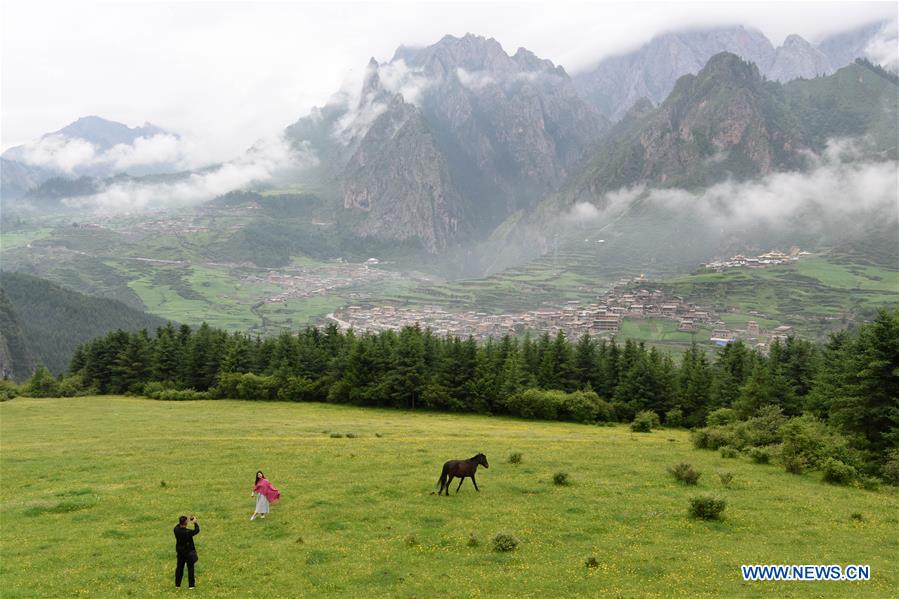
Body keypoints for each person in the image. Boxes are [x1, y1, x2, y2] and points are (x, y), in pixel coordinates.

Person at [173, 515, 200, 588]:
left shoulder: (176, 530)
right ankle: (191, 585)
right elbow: (196, 530)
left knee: (179, 569)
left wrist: (184, 519)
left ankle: (177, 585)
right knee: (190, 569)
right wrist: (195, 522)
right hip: (188, 553)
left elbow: (178, 525)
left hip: (180, 553)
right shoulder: (188, 532)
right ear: (186, 523)